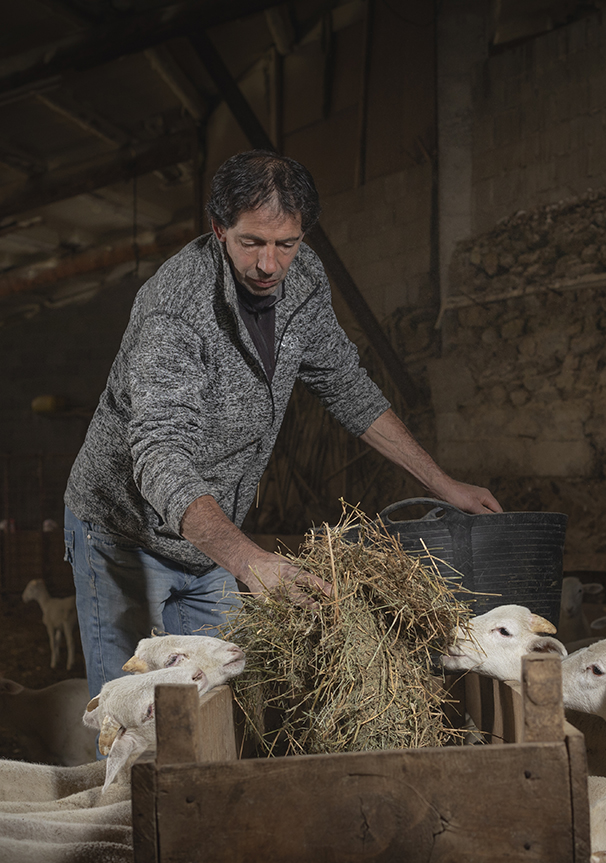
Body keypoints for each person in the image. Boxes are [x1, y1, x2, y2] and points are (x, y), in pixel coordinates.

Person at [64, 150, 501, 702]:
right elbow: (160, 455)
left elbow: (345, 384)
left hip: (210, 541)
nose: (270, 264)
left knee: (217, 705)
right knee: (133, 711)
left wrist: (443, 484)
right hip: (125, 534)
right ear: (218, 228)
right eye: (252, 242)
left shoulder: (306, 281)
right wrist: (250, 560)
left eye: (286, 244)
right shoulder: (173, 308)